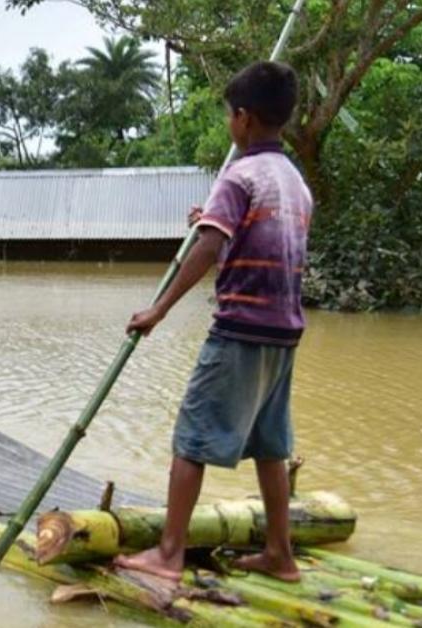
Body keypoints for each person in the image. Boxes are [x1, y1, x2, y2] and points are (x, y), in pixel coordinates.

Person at [113, 61, 312, 583]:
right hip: (284, 330)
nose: (230, 123)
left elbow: (210, 246)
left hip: (240, 328)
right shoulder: (292, 180)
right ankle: (280, 554)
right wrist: (213, 215)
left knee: (191, 437)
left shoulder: (239, 175)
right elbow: (245, 236)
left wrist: (158, 310)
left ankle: (169, 554)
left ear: (243, 119)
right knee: (270, 445)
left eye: (230, 114)